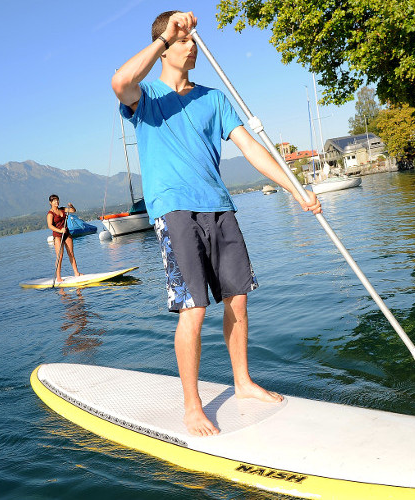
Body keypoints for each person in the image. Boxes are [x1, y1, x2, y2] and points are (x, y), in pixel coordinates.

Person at [112, 10, 322, 436]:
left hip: (219, 208)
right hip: (175, 211)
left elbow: (252, 149)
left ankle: (242, 383)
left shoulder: (213, 98)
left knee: (238, 298)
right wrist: (164, 37)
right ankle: (192, 406)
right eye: (184, 41)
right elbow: (119, 82)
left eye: (193, 40)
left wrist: (295, 189)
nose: (193, 47)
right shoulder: (146, 97)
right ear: (167, 46)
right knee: (194, 308)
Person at [46, 194, 83, 282]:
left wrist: (71, 206)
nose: (57, 202)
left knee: (71, 254)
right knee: (60, 256)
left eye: (57, 200)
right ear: (50, 203)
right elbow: (50, 226)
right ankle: (58, 277)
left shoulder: (62, 209)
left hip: (66, 234)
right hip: (57, 236)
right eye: (54, 201)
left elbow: (73, 210)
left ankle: (76, 273)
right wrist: (59, 231)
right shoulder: (50, 214)